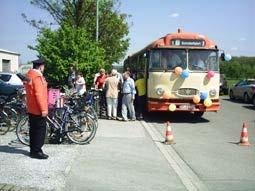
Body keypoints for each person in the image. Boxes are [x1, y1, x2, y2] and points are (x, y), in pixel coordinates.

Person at [25, 58, 48, 160]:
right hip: (38, 108)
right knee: (40, 131)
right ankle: (37, 151)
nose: (44, 68)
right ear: (40, 66)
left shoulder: (29, 75)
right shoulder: (37, 77)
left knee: (33, 130)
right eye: (43, 66)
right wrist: (43, 109)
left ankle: (33, 150)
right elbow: (39, 94)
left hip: (31, 108)